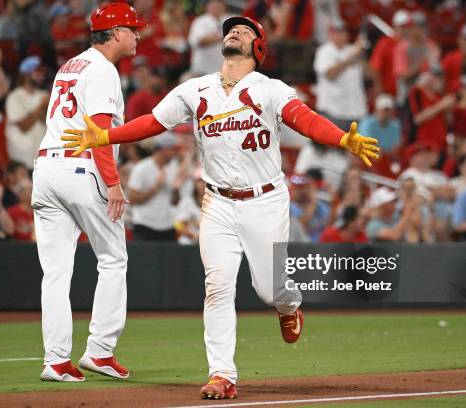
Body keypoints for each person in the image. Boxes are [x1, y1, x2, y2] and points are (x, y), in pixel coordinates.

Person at [61, 16, 379, 399]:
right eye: (233, 28)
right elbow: (153, 123)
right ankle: (222, 374)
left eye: (246, 31)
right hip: (217, 202)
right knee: (217, 288)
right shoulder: (196, 89)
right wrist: (107, 135)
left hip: (264, 200)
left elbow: (303, 119)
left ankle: (289, 305)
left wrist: (343, 138)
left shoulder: (270, 88)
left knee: (269, 288)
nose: (236, 31)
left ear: (258, 49)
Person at [33, 3, 146, 383]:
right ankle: (100, 351)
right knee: (113, 259)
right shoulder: (103, 69)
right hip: (81, 168)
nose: (138, 35)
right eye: (132, 29)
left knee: (55, 272)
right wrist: (113, 182)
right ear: (115, 33)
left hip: (46, 168)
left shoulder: (71, 65)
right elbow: (98, 130)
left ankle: (55, 360)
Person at [313, 20, 367, 131]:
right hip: (332, 112)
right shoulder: (324, 51)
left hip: (356, 112)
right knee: (332, 147)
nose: (339, 35)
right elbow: (330, 74)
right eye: (335, 32)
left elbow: (368, 75)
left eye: (342, 32)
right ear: (330, 34)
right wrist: (352, 56)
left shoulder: (353, 49)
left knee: (355, 147)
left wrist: (362, 54)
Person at [128, 132, 180, 241]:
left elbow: (175, 201)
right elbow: (132, 199)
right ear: (163, 150)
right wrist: (155, 188)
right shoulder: (141, 168)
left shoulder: (173, 166)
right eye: (172, 149)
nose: (175, 153)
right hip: (144, 225)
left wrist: (176, 190)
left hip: (167, 226)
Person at [5, 56, 50, 171]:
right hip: (22, 161)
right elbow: (24, 126)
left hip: (43, 160)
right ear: (26, 74)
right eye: (38, 72)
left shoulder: (44, 95)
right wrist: (40, 107)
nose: (42, 75)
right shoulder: (14, 97)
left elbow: (49, 123)